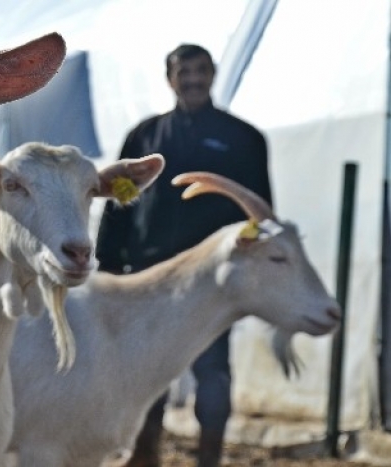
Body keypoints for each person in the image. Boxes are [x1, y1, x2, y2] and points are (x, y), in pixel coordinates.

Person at [95, 43, 272, 467]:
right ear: (169, 79)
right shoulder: (143, 136)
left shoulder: (243, 139)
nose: (192, 80)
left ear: (212, 74)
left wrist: (252, 268)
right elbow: (119, 197)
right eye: (183, 72)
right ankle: (143, 456)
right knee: (144, 374)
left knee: (212, 373)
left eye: (200, 71)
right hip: (149, 279)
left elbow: (259, 213)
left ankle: (208, 459)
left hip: (211, 281)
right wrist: (108, 265)